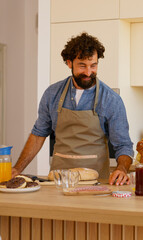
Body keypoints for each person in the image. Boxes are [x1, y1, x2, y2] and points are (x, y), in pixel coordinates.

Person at [12, 32, 134, 185]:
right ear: (69, 63)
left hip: (96, 183)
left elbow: (123, 145)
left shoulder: (111, 99)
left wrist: (122, 169)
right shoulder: (52, 93)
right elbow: (38, 135)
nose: (88, 72)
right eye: (82, 66)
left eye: (93, 65)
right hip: (57, 182)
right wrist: (17, 169)